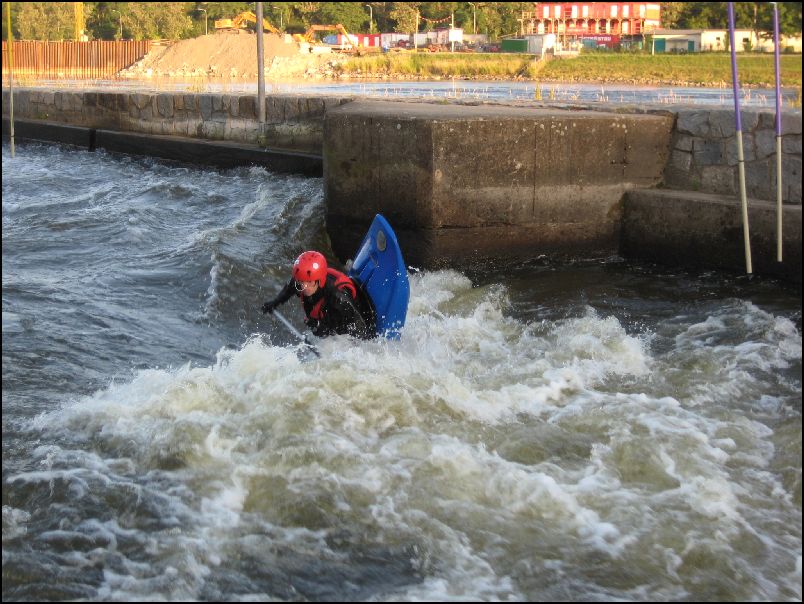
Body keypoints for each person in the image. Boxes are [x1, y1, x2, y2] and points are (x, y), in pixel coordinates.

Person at [261, 251, 376, 339]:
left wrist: (322, 327)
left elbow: (360, 329)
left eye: (309, 282)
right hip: (327, 311)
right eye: (301, 282)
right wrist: (274, 303)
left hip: (347, 316)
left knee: (321, 331)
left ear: (319, 280)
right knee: (316, 327)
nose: (304, 287)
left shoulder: (338, 297)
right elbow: (288, 290)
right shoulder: (301, 281)